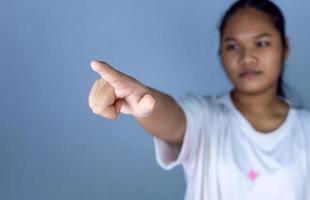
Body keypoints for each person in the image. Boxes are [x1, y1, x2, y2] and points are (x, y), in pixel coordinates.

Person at [88, 0, 310, 199]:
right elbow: (173, 120)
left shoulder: (305, 130)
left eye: (261, 43)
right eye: (232, 46)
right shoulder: (205, 116)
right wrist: (140, 98)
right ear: (221, 53)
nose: (246, 57)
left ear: (285, 47)